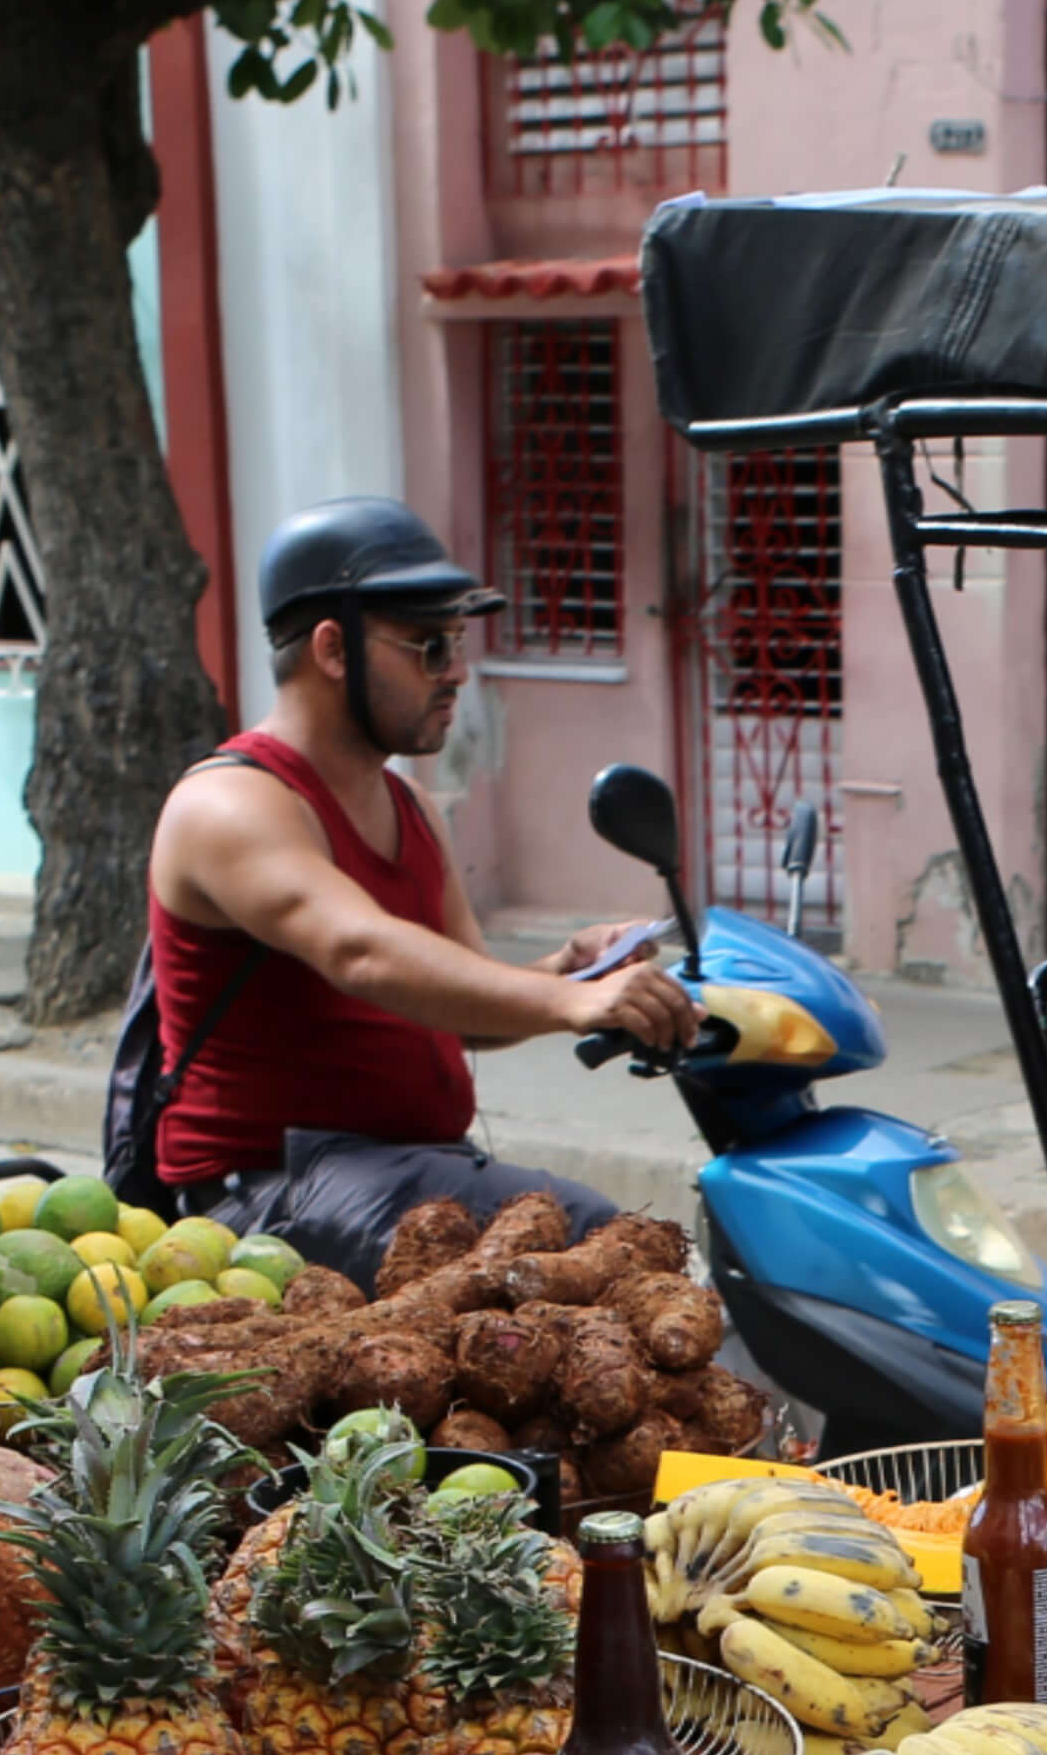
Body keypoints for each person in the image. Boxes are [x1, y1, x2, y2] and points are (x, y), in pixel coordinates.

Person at [141, 496, 692, 1274]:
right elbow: (357, 949)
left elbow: (462, 1010)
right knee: (597, 1250)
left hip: (403, 1170)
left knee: (606, 1269)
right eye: (431, 647)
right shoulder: (231, 804)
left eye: (458, 644)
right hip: (272, 1193)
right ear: (333, 650)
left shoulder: (410, 806)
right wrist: (571, 1005)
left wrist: (568, 971)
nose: (459, 673)